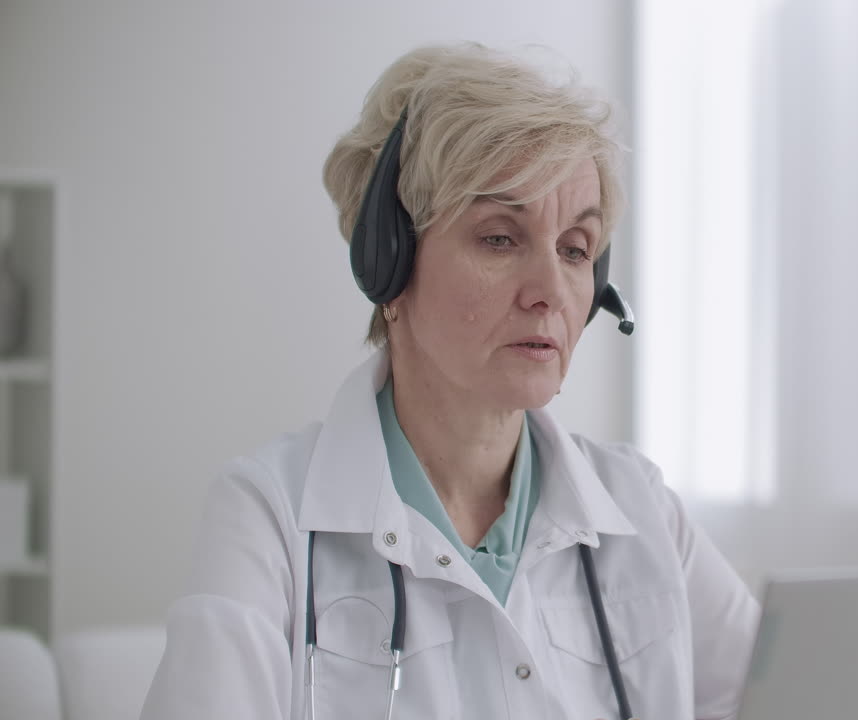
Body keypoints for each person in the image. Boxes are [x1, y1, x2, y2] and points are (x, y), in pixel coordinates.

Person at [140, 43, 760, 720]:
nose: (551, 291)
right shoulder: (269, 517)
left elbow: (804, 692)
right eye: (499, 237)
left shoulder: (641, 510)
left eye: (575, 249)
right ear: (388, 264)